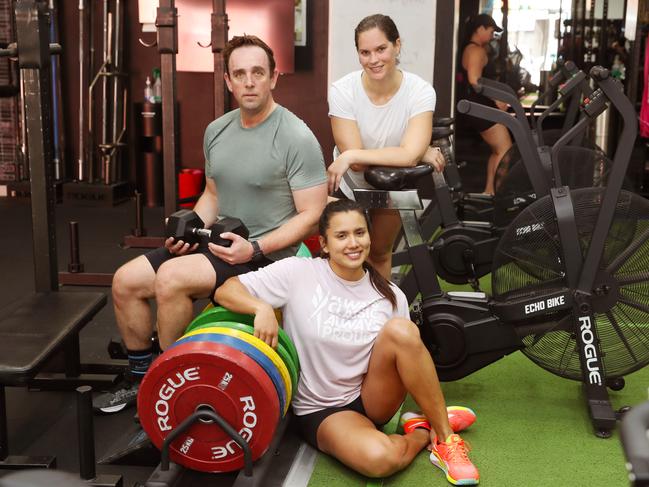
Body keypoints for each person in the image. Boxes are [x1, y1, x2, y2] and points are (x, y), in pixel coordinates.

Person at [92, 35, 328, 413]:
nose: (249, 81)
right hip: (219, 242)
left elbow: (313, 215)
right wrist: (184, 231)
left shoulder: (296, 137)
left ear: (273, 78)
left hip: (267, 256)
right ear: (228, 82)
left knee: (171, 280)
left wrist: (254, 248)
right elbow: (213, 196)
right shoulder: (217, 130)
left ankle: (173, 388)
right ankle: (141, 379)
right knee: (126, 281)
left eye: (257, 73)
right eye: (240, 74)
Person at [215, 199, 480, 485]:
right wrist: (261, 308)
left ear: (369, 236)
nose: (353, 243)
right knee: (381, 460)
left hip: (371, 395)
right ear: (325, 243)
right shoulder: (298, 273)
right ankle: (420, 430)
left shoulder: (390, 294)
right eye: (341, 236)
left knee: (402, 330)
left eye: (359, 233)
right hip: (322, 408)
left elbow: (409, 359)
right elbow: (227, 290)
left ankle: (445, 439)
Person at [327, 14, 445, 280]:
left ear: (397, 45)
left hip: (392, 184)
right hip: (349, 183)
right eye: (365, 52)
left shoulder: (420, 91)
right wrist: (412, 153)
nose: (374, 59)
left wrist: (412, 153)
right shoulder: (342, 91)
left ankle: (381, 316)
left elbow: (360, 155)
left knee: (379, 252)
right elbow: (358, 166)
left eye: (381, 49)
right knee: (346, 257)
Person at [456, 13, 513, 195]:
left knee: (498, 150)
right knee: (505, 150)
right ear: (479, 29)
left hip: (475, 105)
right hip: (478, 105)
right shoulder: (476, 51)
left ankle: (490, 192)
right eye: (490, 31)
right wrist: (496, 99)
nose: (491, 35)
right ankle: (496, 193)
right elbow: (474, 80)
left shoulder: (469, 48)